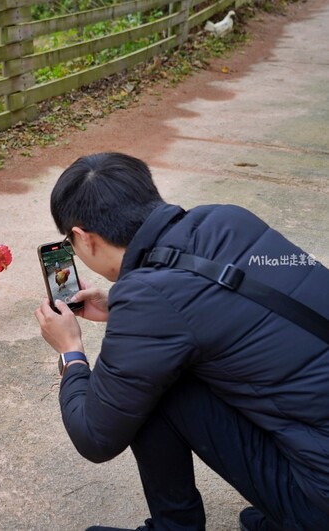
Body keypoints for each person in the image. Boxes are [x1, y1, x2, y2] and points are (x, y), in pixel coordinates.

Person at [34, 152, 329, 531]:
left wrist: (71, 353)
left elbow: (95, 436)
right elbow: (241, 295)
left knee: (151, 380)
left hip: (320, 499)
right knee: (159, 358)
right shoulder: (227, 218)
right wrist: (120, 308)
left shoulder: (150, 300)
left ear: (82, 238)